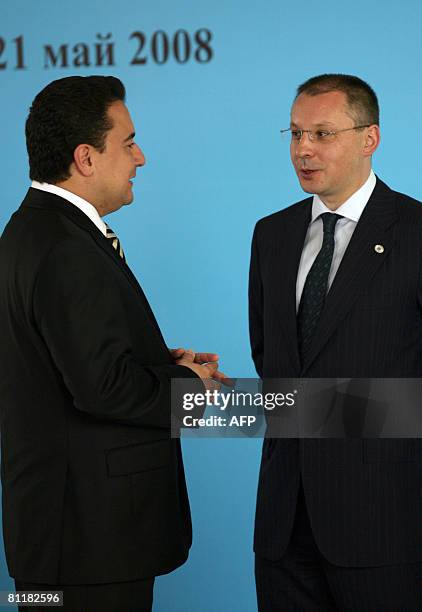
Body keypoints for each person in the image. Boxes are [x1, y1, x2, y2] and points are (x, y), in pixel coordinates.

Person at [0, 75, 225, 612]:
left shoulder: (29, 233)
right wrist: (187, 385)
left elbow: (57, 365)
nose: (140, 157)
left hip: (55, 539)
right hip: (88, 547)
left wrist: (156, 362)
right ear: (86, 158)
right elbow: (102, 388)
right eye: (127, 143)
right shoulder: (65, 248)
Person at [249, 74, 422, 611]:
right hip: (283, 525)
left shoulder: (415, 232)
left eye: (322, 134)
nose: (304, 149)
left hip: (384, 524)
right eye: (296, 134)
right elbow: (270, 361)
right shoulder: (270, 235)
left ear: (369, 138)